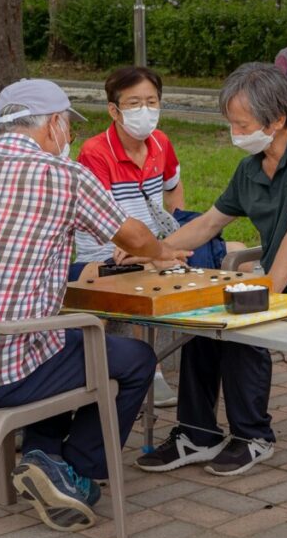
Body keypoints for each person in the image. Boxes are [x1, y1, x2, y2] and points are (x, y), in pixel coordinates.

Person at [0, 79, 191, 531]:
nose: (68, 136)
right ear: (54, 125)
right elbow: (130, 237)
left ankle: (42, 456)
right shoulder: (67, 176)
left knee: (65, 340)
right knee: (134, 359)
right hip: (5, 369)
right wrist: (162, 252)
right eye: (67, 126)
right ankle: (73, 469)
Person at [133, 62, 287, 476]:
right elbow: (208, 224)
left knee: (242, 324)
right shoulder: (250, 168)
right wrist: (152, 249)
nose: (236, 134)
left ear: (277, 119)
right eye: (233, 124)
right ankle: (197, 432)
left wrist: (264, 297)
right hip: (285, 286)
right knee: (202, 320)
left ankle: (253, 437)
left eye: (243, 125)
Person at [74, 65, 245, 407]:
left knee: (238, 252)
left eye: (152, 101)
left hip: (152, 243)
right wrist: (147, 252)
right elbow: (104, 221)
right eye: (135, 103)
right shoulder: (95, 152)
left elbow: (173, 185)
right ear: (114, 109)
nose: (145, 111)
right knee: (146, 270)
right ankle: (141, 372)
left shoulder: (160, 143)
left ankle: (222, 351)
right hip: (108, 248)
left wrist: (173, 230)